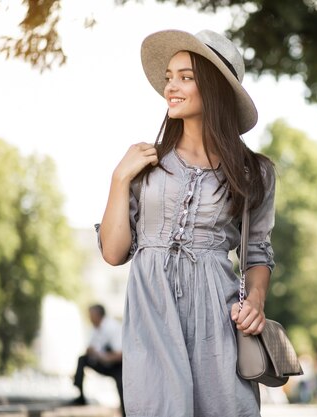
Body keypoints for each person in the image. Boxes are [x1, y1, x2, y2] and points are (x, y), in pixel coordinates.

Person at [97, 29, 275, 417]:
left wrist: (257, 301)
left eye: (185, 77)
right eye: (169, 77)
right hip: (152, 310)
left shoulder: (253, 172)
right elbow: (113, 253)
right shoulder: (143, 163)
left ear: (212, 87)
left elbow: (258, 251)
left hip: (219, 315)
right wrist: (118, 179)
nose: (171, 87)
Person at [73, 304, 124, 416]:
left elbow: (120, 355)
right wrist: (93, 352)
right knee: (82, 360)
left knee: (121, 387)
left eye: (91, 315)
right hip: (104, 362)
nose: (89, 318)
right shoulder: (95, 328)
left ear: (98, 315)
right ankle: (80, 396)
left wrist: (101, 356)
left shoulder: (112, 327)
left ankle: (125, 412)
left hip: (117, 366)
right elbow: (90, 349)